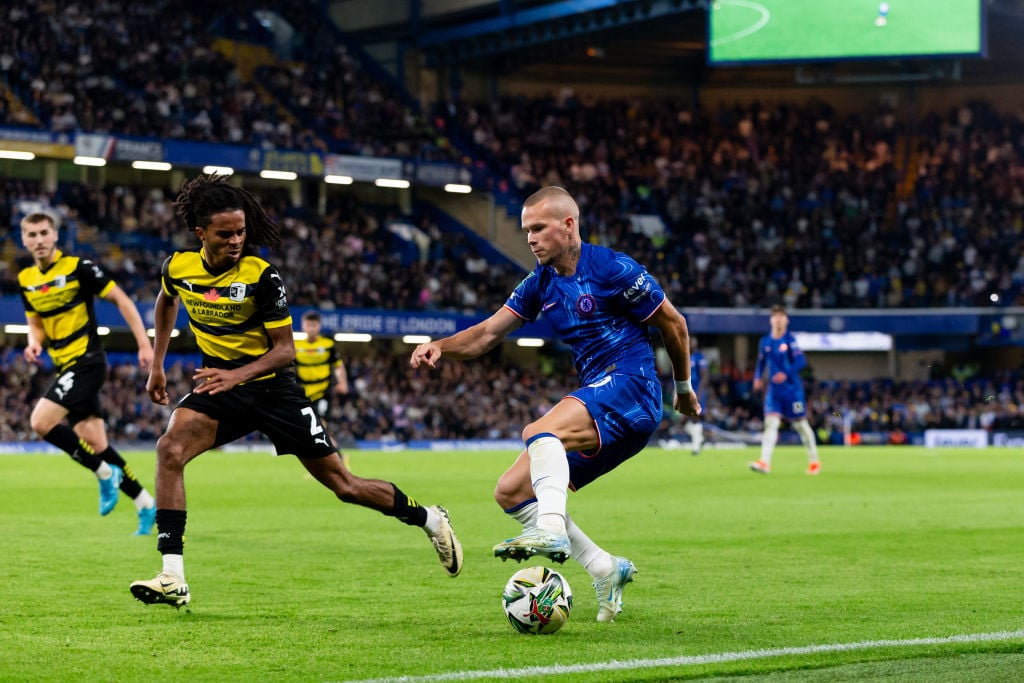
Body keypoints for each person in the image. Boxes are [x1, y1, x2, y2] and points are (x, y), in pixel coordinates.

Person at [129, 175, 462, 609]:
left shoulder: (262, 277)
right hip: (221, 385)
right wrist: (157, 363)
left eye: (241, 232)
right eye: (225, 234)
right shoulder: (178, 266)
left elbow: (285, 352)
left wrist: (238, 375)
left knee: (344, 486)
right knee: (169, 449)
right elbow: (166, 298)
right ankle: (172, 575)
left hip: (272, 391)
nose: (235, 240)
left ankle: (430, 518)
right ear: (201, 234)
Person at [410, 186, 699, 623]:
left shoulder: (615, 268)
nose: (530, 238)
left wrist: (684, 386)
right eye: (526, 230)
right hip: (606, 409)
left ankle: (549, 531)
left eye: (539, 228)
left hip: (632, 386)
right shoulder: (540, 282)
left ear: (569, 225)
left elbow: (673, 324)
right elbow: (489, 333)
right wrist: (441, 347)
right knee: (510, 491)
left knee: (537, 432)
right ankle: (605, 567)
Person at [17, 212, 157, 535]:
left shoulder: (78, 267)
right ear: (24, 240)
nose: (38, 240)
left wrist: (144, 344)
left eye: (43, 233)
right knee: (95, 441)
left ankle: (104, 473)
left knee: (40, 422)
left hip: (88, 361)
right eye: (32, 235)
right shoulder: (26, 279)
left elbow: (121, 299)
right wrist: (33, 343)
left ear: (55, 235)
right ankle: (145, 502)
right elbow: (35, 324)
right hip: (65, 365)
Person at [748, 304, 821, 475]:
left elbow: (801, 361)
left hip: (793, 392)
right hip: (774, 392)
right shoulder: (765, 341)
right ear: (771, 320)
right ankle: (764, 462)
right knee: (771, 424)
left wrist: (785, 374)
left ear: (786, 321)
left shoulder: (790, 340)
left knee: (801, 425)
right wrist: (757, 377)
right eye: (776, 316)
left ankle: (814, 461)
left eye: (782, 316)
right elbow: (761, 363)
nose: (779, 320)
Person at [682, 336, 708, 456]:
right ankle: (700, 438)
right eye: (690, 342)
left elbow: (704, 377)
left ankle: (696, 446)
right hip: (685, 392)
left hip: (696, 391)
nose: (692, 345)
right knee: (683, 420)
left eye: (694, 343)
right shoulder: (684, 356)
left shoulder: (700, 357)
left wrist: (699, 393)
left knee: (695, 417)